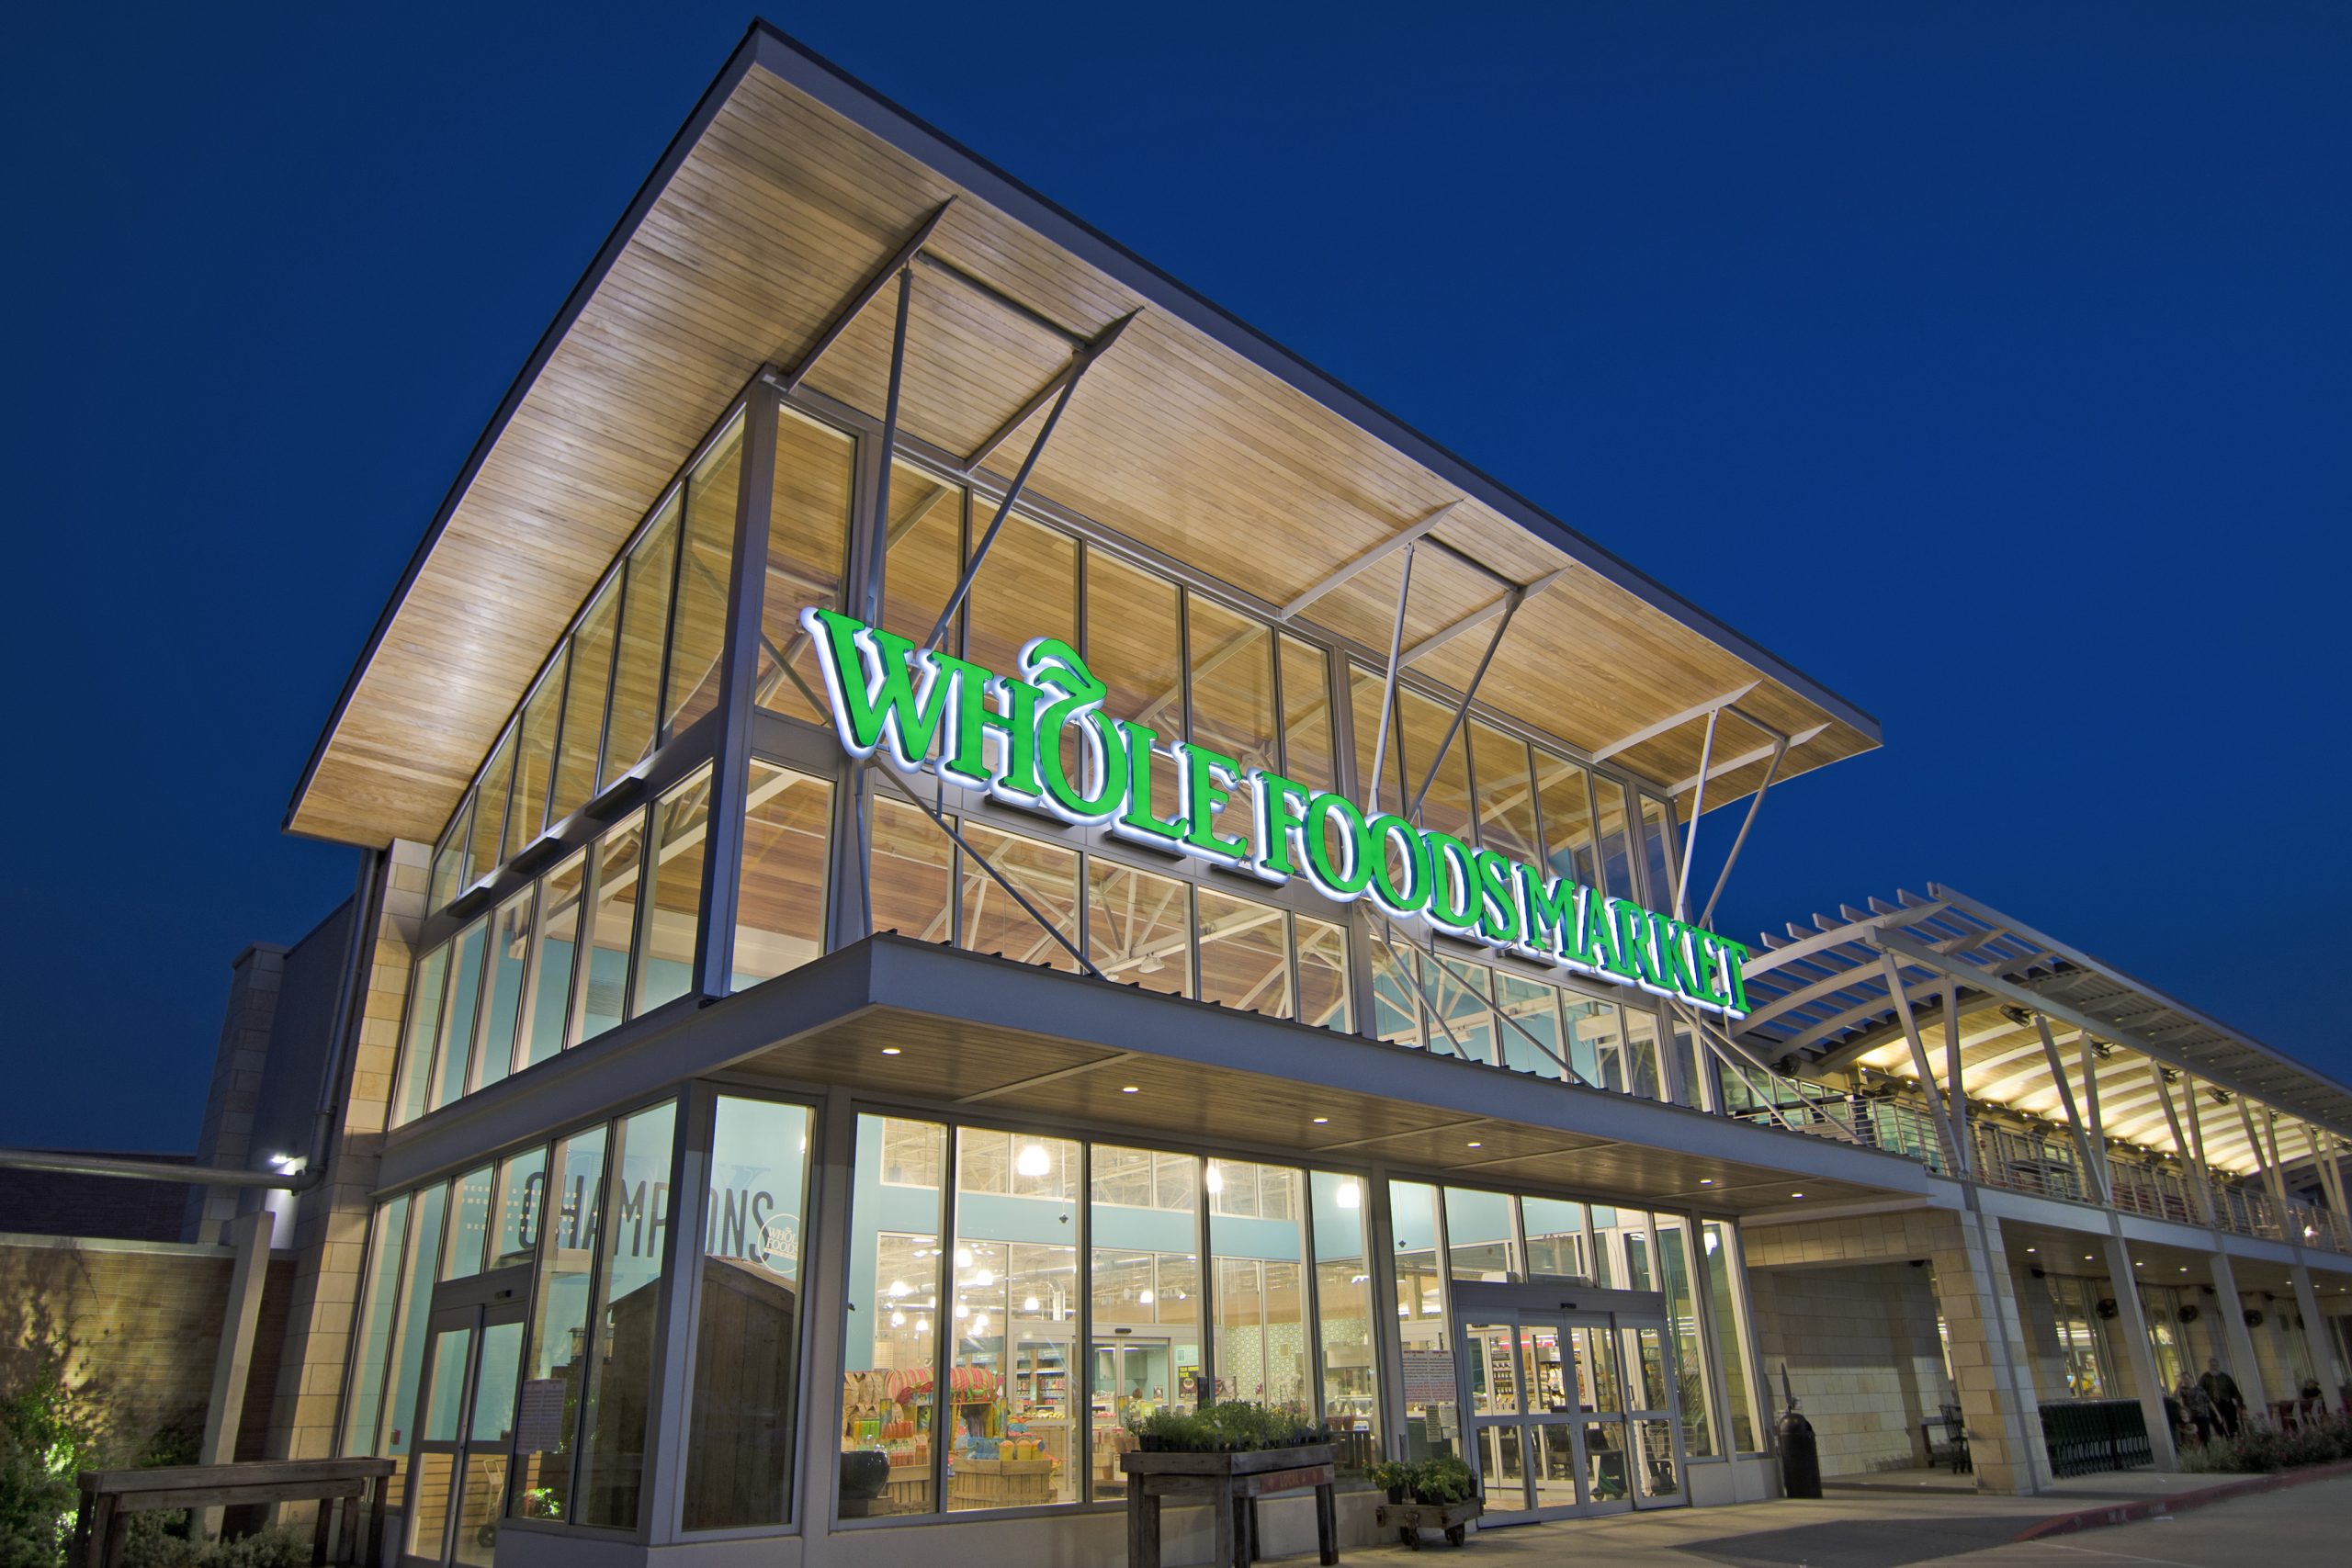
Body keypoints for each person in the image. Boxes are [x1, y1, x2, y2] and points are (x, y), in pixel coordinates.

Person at [2199, 1358, 2245, 1437]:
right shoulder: (2205, 1377)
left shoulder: (2225, 1377)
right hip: (2213, 1404)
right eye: (2211, 1365)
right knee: (2217, 1424)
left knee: (2232, 1423)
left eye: (2215, 1365)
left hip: (2226, 1402)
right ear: (2208, 1366)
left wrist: (2240, 1405)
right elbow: (2200, 1391)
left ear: (2218, 1365)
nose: (2213, 1367)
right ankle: (2223, 1438)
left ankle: (2233, 1438)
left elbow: (2235, 1391)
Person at [2177, 1373, 2216, 1446]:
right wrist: (2178, 1385)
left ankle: (2209, 1451)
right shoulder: (2183, 1391)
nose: (2185, 1381)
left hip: (2204, 1415)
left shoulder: (2199, 1389)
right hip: (2192, 1417)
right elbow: (2176, 1397)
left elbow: (2209, 1401)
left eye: (2186, 1378)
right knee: (2196, 1437)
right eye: (2183, 1379)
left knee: (2206, 1437)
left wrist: (2217, 1414)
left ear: (2191, 1378)